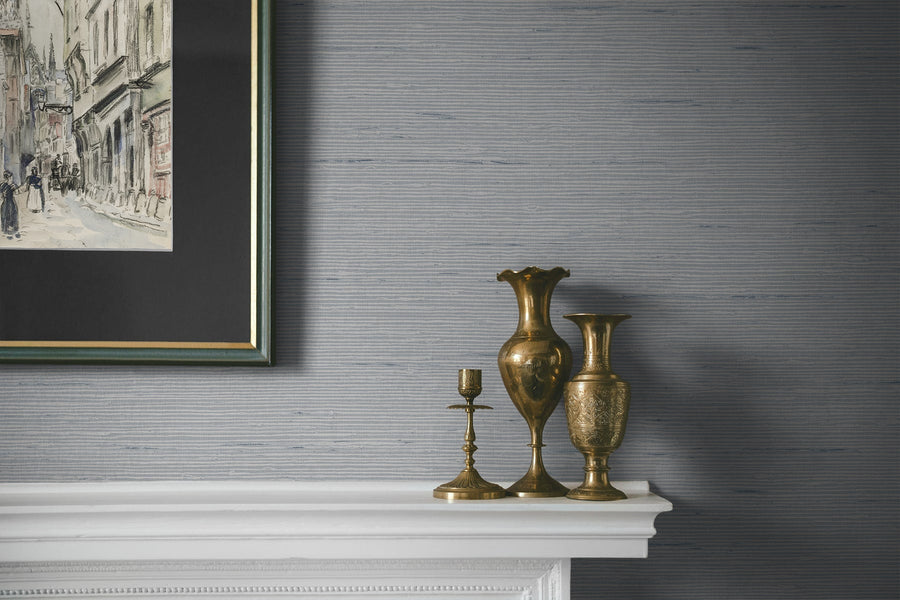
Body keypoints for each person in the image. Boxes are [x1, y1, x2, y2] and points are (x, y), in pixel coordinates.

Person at [0, 170, 19, 238]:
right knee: (7, 215)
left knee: (11, 214)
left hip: (9, 202)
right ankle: (7, 230)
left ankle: (10, 229)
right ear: (7, 178)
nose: (12, 179)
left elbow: (17, 192)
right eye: (11, 177)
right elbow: (1, 195)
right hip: (8, 202)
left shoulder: (10, 185)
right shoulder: (4, 185)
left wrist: (15, 188)